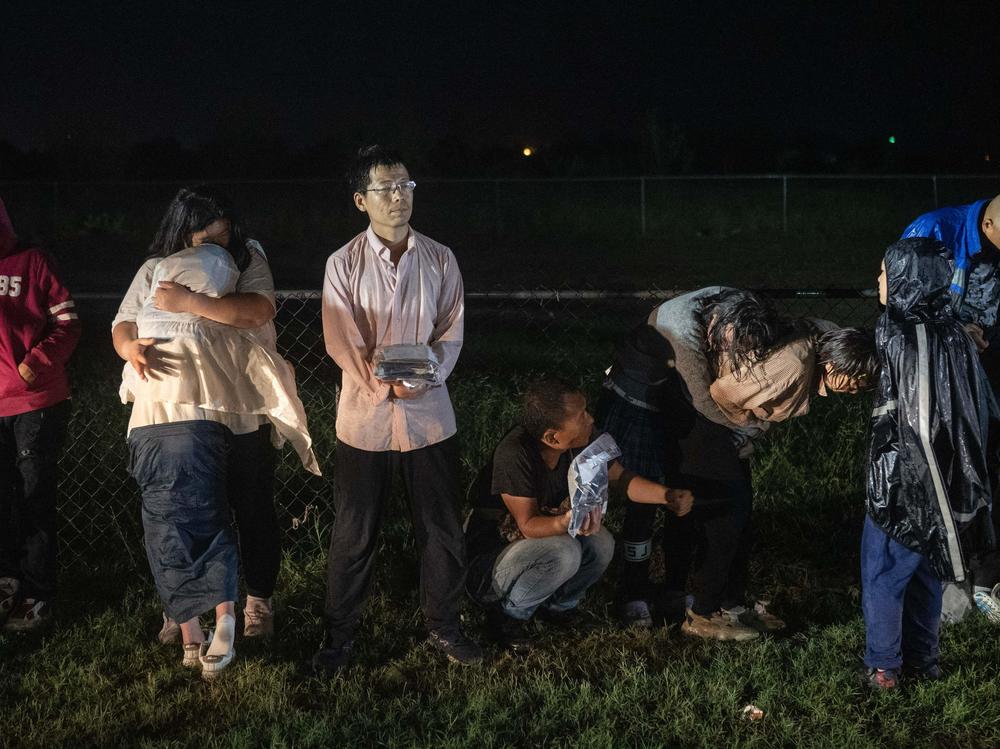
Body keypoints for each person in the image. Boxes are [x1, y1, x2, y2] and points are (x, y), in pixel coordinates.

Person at [313, 145, 480, 675]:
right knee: (354, 531)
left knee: (441, 527)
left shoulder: (440, 258)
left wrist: (426, 379)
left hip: (429, 418)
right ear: (361, 200)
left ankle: (445, 627)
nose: (399, 197)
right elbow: (341, 338)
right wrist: (381, 385)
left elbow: (450, 329)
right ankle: (339, 636)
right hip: (364, 421)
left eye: (406, 185)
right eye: (386, 188)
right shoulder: (343, 263)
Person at [112, 187, 287, 677]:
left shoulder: (246, 260)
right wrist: (131, 350)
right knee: (184, 508)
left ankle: (256, 601)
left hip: (240, 407)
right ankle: (186, 606)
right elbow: (123, 324)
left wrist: (188, 301)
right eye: (204, 231)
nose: (215, 238)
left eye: (223, 230)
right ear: (181, 231)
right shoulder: (154, 269)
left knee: (250, 505)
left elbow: (256, 311)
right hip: (179, 406)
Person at [596, 287, 786, 640]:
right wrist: (747, 427)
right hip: (638, 397)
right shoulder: (681, 330)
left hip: (673, 399)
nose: (732, 356)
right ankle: (633, 591)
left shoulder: (739, 305)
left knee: (681, 493)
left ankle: (673, 589)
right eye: (731, 347)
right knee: (643, 494)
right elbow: (704, 401)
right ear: (720, 325)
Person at [465, 379, 693, 653]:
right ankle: (507, 617)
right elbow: (528, 525)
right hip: (490, 561)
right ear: (552, 437)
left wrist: (666, 497)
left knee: (601, 543)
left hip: (533, 545)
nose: (590, 419)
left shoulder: (581, 441)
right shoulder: (515, 454)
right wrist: (567, 522)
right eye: (580, 416)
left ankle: (560, 606)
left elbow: (619, 478)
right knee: (566, 549)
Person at [862, 237, 997, 689]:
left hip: (906, 483)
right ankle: (925, 660)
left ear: (907, 277)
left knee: (884, 572)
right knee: (924, 574)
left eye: (884, 270)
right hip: (947, 484)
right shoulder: (954, 331)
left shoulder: (902, 333)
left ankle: (885, 667)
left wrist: (916, 493)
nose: (878, 279)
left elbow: (917, 424)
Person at [901, 195, 1000, 622]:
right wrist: (958, 335)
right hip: (941, 381)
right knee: (949, 473)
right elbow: (898, 308)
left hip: (989, 370)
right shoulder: (935, 230)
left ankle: (986, 578)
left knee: (992, 469)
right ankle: (946, 580)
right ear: (992, 227)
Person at [0, 197, 81, 631]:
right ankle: (7, 580)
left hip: (36, 402)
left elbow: (67, 323)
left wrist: (35, 363)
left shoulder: (31, 263)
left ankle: (38, 592)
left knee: (35, 498)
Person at [709, 326, 879, 427]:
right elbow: (722, 394)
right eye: (854, 382)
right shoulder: (792, 365)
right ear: (836, 362)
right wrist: (746, 429)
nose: (855, 391)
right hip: (704, 394)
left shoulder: (824, 340)